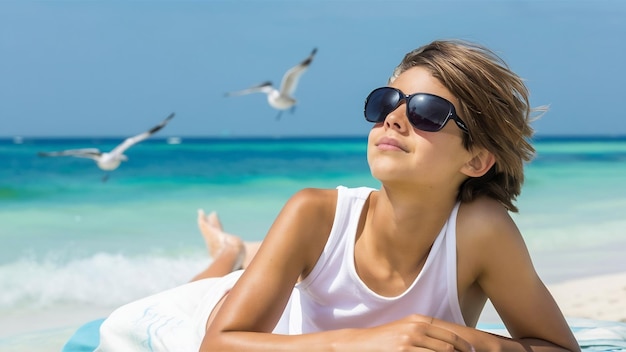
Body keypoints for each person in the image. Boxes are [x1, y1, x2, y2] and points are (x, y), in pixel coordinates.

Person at [96, 39, 581, 352]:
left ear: (476, 160)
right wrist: (367, 342)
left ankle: (239, 252)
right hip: (204, 322)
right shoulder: (315, 212)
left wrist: (465, 342)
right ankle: (227, 254)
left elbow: (557, 349)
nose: (393, 118)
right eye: (387, 102)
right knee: (163, 314)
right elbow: (218, 344)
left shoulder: (480, 231)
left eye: (428, 112)